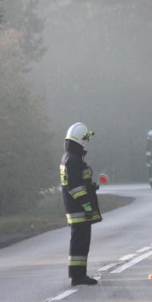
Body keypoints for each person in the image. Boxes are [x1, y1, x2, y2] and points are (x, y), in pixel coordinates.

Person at [60, 122, 102, 286]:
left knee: (80, 243)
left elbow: (77, 182)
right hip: (79, 211)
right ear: (81, 139)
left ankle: (78, 274)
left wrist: (91, 187)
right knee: (80, 244)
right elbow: (75, 188)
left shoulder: (69, 158)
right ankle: (78, 276)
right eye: (86, 138)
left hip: (75, 210)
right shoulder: (74, 160)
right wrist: (87, 206)